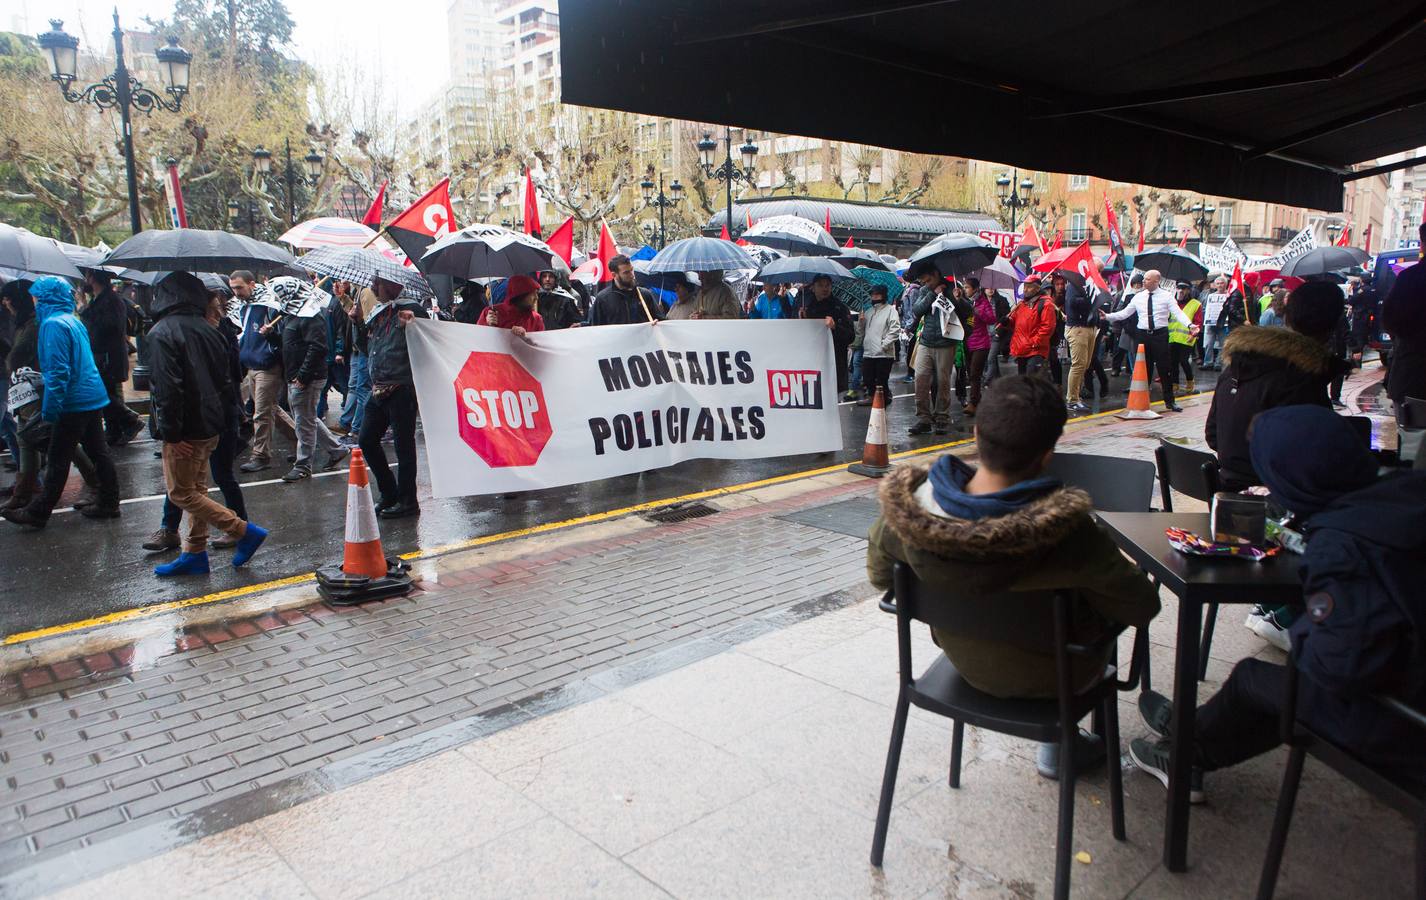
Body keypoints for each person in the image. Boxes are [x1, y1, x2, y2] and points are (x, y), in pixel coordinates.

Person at [866, 374, 1160, 777]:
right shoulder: (1071, 535)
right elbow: (1141, 606)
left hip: (963, 661)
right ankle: (1063, 748)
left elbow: (882, 578)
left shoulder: (908, 513)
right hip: (1058, 679)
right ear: (1047, 455)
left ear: (975, 434)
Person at [1129, 405, 1426, 802]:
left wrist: (1303, 625)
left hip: (1404, 722)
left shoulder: (1341, 548)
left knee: (1255, 678)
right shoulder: (1403, 494)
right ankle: (1191, 727)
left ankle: (1186, 756)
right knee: (1275, 683)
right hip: (1411, 682)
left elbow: (1337, 668)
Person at [141, 273, 268, 575]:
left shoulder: (162, 333)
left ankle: (243, 531)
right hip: (210, 423)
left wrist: (171, 432)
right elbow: (225, 380)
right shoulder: (210, 329)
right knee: (197, 489)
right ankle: (194, 552)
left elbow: (168, 388)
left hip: (185, 429)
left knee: (181, 493)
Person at [1206, 281, 1347, 492]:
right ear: (1335, 324)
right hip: (1277, 495)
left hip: (1228, 485)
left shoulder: (1235, 365)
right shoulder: (1302, 378)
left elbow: (1213, 435)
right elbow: (1313, 456)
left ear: (1287, 317)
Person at [3, 277, 121, 528]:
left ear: (44, 298)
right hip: (91, 395)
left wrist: (51, 409)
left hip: (73, 401)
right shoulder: (72, 320)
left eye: (36, 296)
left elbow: (58, 372)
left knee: (58, 459)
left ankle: (37, 513)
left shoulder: (52, 325)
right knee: (98, 453)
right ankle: (109, 502)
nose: (33, 300)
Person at [260, 280, 347, 483]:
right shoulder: (292, 315)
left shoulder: (310, 316)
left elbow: (318, 348)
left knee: (304, 421)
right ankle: (336, 449)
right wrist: (272, 336)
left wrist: (303, 376)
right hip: (296, 376)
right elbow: (288, 345)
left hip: (307, 378)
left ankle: (303, 465)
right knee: (306, 418)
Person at [356, 275, 427, 519]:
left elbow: (428, 336)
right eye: (373, 283)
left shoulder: (412, 308)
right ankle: (389, 492)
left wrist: (414, 324)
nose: (373, 288)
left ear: (392, 285)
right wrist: (357, 322)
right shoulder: (378, 312)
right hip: (378, 388)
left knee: (403, 447)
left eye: (378, 284)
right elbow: (364, 347)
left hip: (402, 388)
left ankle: (408, 501)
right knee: (366, 440)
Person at [233, 270, 294, 473]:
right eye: (233, 288)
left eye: (239, 287)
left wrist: (271, 336)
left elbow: (282, 336)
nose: (236, 292)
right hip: (252, 365)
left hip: (267, 366)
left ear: (251, 284)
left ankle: (261, 456)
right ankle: (305, 441)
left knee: (261, 413)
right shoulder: (244, 307)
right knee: (270, 409)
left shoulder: (270, 305)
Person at [1105, 269, 1193, 412]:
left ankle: (1170, 402)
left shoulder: (1167, 296)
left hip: (1160, 335)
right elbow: (1125, 313)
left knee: (1165, 369)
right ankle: (1144, 402)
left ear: (1156, 281)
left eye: (1147, 279)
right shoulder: (1138, 297)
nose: (1143, 282)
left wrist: (1190, 325)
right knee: (1144, 370)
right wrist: (1108, 316)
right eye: (1144, 279)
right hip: (1142, 335)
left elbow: (1178, 313)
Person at [79, 269, 144, 447]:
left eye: (87, 275)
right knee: (107, 391)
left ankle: (130, 420)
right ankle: (113, 431)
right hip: (103, 355)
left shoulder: (111, 300)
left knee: (104, 393)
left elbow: (110, 326)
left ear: (92, 278)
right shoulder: (100, 299)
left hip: (108, 357)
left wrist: (84, 309)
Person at [909, 267, 968, 434]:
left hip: (946, 342)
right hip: (926, 341)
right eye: (924, 282)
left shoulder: (953, 287)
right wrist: (933, 293)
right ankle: (923, 418)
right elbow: (917, 310)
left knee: (943, 381)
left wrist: (959, 299)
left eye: (928, 280)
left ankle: (942, 416)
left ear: (936, 275)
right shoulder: (924, 290)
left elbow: (967, 312)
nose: (926, 283)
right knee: (920, 379)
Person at [1381, 223, 1426, 418]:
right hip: (1411, 374)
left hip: (1413, 376)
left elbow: (1390, 319)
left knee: (1411, 442)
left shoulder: (1410, 278)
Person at [800, 274, 856, 399]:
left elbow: (850, 336)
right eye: (820, 285)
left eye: (827, 285)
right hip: (812, 364)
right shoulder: (807, 307)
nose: (824, 289)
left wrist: (835, 327)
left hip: (834, 364)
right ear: (813, 288)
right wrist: (802, 318)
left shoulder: (840, 307)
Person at [855, 285, 901, 406]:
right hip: (868, 352)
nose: (874, 297)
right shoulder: (868, 312)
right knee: (867, 378)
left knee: (881, 380)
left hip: (884, 354)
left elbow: (895, 329)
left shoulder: (891, 310)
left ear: (883, 295)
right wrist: (860, 322)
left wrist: (884, 345)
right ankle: (873, 396)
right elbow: (861, 332)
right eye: (873, 294)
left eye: (877, 294)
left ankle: (883, 399)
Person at [588, 256, 662, 325]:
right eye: (626, 273)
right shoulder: (603, 299)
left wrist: (657, 324)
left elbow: (661, 320)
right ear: (614, 275)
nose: (632, 275)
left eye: (631, 270)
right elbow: (596, 327)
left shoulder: (645, 294)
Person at [1008, 274, 1057, 378]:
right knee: (1023, 382)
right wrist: (1007, 322)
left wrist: (1034, 343)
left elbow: (1047, 327)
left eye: (1029, 286)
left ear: (1037, 288)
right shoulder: (1022, 304)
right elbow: (1016, 322)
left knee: (1033, 381)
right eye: (1025, 286)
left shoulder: (1045, 304)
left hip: (1035, 350)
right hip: (1021, 349)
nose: (1025, 289)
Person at [1061, 273, 1096, 413]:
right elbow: (1073, 303)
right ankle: (1072, 399)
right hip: (1078, 328)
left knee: (1084, 365)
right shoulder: (1074, 284)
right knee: (1078, 365)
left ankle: (1077, 396)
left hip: (1089, 327)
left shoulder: (1089, 284)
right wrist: (1091, 298)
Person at [960, 278, 994, 416]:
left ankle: (973, 403)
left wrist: (977, 311)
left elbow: (991, 319)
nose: (965, 289)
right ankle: (977, 401)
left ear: (974, 289)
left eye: (967, 287)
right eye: (964, 287)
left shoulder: (983, 302)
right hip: (967, 342)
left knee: (975, 374)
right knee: (970, 374)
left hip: (981, 343)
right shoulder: (964, 302)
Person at [479, 274, 546, 336]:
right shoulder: (490, 312)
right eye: (532, 294)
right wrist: (487, 325)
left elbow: (540, 344)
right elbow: (478, 339)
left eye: (537, 293)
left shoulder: (536, 319)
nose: (536, 298)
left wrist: (526, 337)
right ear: (520, 295)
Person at [1168, 281, 1203, 394]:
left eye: (1184, 288)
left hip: (1186, 337)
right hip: (1172, 337)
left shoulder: (1195, 304)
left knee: (1183, 361)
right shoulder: (1171, 303)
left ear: (1189, 290)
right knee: (1173, 362)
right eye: (1179, 288)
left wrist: (1193, 335)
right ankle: (1174, 384)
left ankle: (1190, 381)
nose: (1181, 291)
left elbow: (1198, 322)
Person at [1111, 273, 1143, 376]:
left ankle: (1137, 376)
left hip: (1141, 331)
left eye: (1139, 284)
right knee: (1128, 353)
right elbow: (1122, 313)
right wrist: (1127, 327)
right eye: (1135, 284)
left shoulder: (1145, 298)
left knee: (1139, 357)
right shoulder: (1127, 297)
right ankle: (1132, 375)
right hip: (1128, 331)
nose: (1137, 287)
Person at [1200, 274, 1230, 369]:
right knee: (1208, 344)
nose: (1220, 285)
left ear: (1226, 284)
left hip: (1223, 324)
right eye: (1218, 283)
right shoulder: (1210, 296)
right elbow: (1205, 308)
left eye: (1222, 283)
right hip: (1210, 322)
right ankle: (1208, 362)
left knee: (1222, 344)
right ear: (1215, 285)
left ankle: (1218, 363)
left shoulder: (1229, 296)